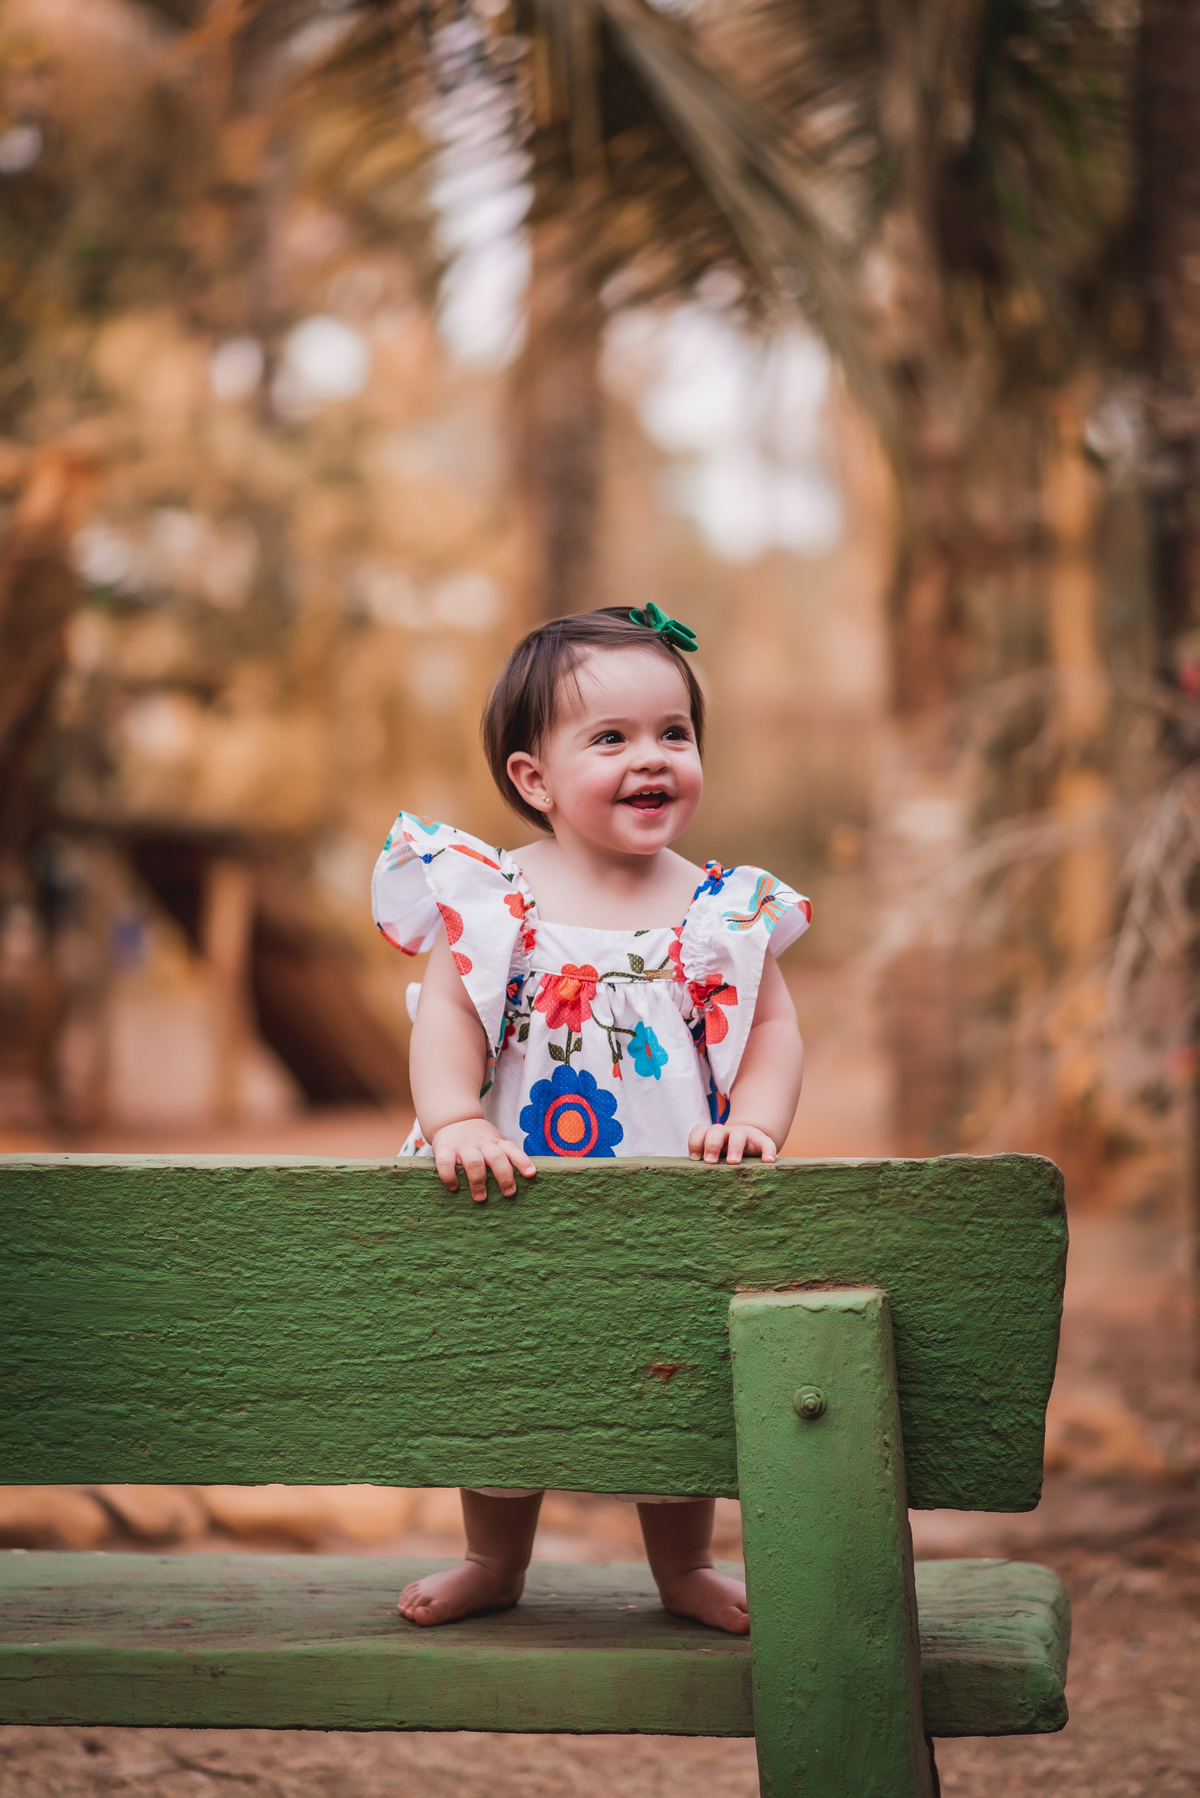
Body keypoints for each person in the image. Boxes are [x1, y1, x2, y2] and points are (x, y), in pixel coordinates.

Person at [371, 604, 809, 1634]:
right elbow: (445, 1021)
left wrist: (754, 1122)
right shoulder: (497, 901)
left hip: (670, 1186)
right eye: (610, 739)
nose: (651, 758)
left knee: (676, 1372)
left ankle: (684, 1564)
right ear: (534, 780)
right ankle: (493, 1554)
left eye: (674, 734)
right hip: (508, 1183)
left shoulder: (719, 907)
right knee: (504, 1368)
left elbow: (777, 1035)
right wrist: (451, 1121)